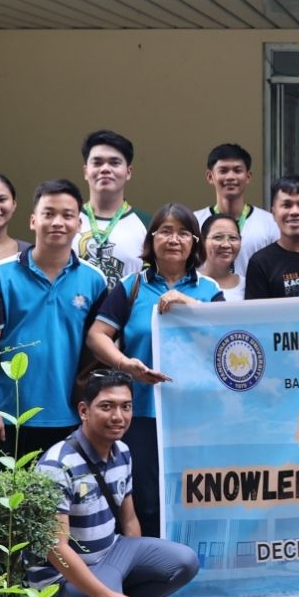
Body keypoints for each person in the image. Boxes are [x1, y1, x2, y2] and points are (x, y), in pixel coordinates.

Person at [33, 371, 200, 597]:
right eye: (106, 406)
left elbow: (130, 520)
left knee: (185, 562)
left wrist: (146, 578)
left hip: (111, 556)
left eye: (126, 406)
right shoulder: (57, 465)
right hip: (64, 576)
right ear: (84, 410)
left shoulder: (122, 451)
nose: (118, 416)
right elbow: (55, 549)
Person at [86, 205, 201, 536]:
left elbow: (227, 337)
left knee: (190, 497)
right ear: (152, 239)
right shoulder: (131, 286)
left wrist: (189, 304)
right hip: (142, 414)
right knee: (144, 501)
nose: (174, 239)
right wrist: (125, 365)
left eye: (183, 232)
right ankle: (149, 577)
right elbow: (97, 336)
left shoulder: (207, 288)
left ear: (195, 242)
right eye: (165, 231)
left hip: (194, 416)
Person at [0, 179, 113, 457]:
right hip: (10, 416)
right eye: (48, 213)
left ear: (79, 223)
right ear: (32, 220)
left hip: (72, 417)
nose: (57, 222)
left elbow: (99, 351)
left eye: (67, 215)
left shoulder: (95, 280)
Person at [192, 143, 279, 280]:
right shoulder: (194, 222)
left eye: (237, 170)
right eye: (223, 170)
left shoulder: (270, 223)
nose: (231, 177)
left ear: (248, 176)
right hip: (206, 300)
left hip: (255, 299)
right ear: (210, 176)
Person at [75, 130, 149, 288]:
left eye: (114, 163)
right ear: (85, 171)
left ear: (128, 172)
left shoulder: (148, 224)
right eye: (97, 162)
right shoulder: (68, 220)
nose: (105, 169)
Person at [244, 176, 299, 299]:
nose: (295, 212)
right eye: (286, 205)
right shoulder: (260, 263)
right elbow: (256, 316)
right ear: (274, 213)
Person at [197, 213, 246, 302]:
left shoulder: (247, 286)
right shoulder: (189, 283)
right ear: (203, 242)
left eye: (233, 238)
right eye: (218, 237)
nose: (226, 244)